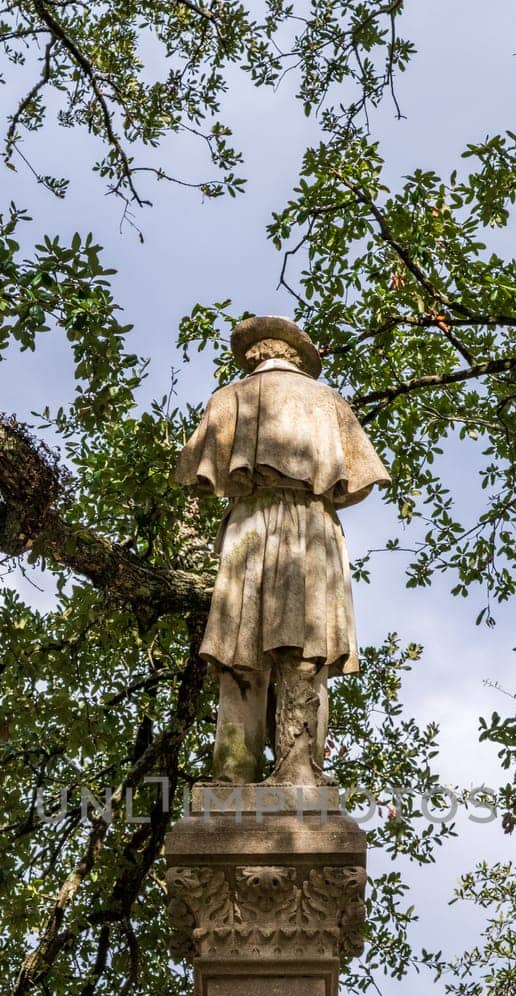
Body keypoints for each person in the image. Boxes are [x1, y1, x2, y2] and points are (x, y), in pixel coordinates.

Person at [175, 315, 390, 785]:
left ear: (256, 354)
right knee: (305, 651)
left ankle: (232, 774)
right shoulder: (328, 402)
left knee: (239, 652)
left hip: (248, 527)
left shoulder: (227, 398)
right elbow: (358, 483)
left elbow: (197, 477)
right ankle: (300, 771)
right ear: (297, 357)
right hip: (311, 528)